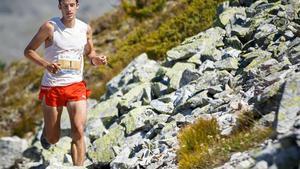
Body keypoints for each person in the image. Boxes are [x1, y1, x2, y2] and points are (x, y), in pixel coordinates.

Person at [24, 0, 107, 166]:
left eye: (71, 5)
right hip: (52, 86)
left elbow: (90, 53)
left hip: (76, 86)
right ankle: (47, 133)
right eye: (65, 5)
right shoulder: (50, 27)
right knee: (53, 138)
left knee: (78, 130)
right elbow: (28, 51)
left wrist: (96, 60)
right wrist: (46, 64)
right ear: (59, 7)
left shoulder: (85, 29)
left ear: (77, 5)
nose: (68, 9)